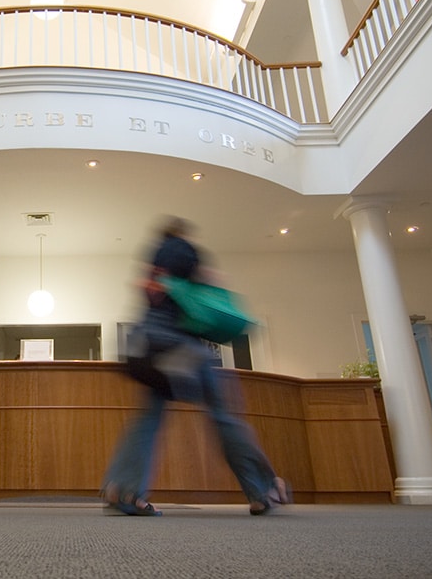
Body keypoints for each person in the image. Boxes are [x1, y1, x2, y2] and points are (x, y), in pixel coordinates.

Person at [101, 216, 291, 516]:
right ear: (181, 233)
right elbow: (210, 297)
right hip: (179, 347)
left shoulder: (153, 259)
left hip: (146, 345)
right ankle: (262, 488)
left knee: (149, 417)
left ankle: (123, 488)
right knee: (223, 415)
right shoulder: (186, 251)